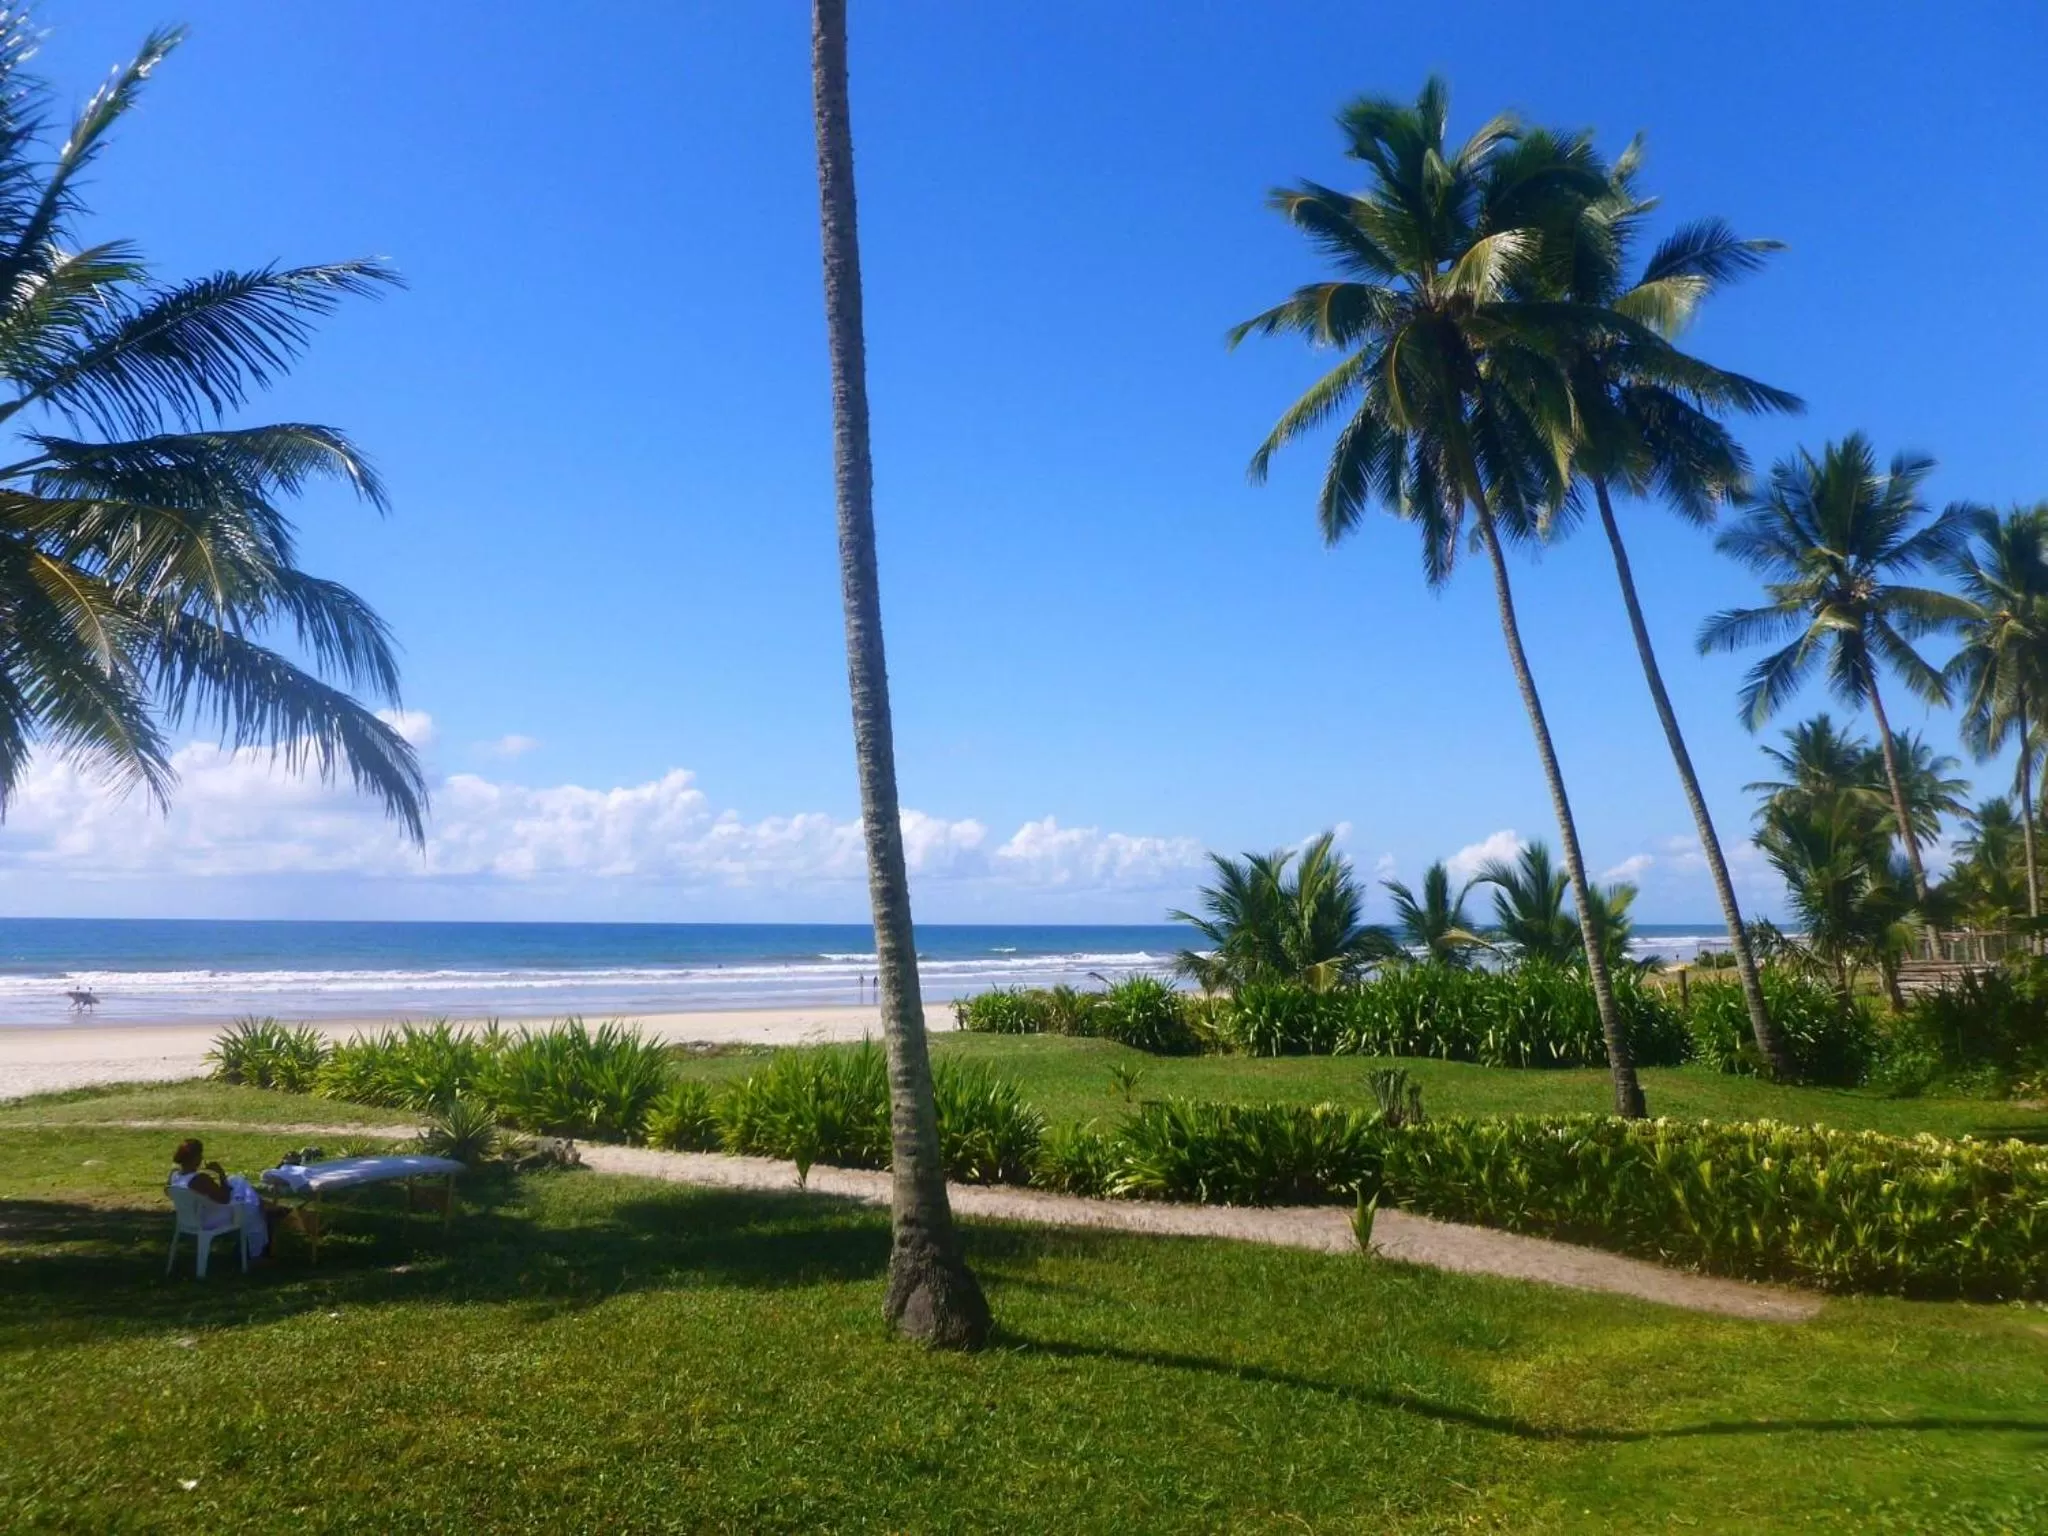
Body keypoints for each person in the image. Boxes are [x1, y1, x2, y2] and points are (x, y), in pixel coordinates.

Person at [169, 1138, 271, 1261]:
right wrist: (220, 1173)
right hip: (210, 1219)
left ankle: (263, 1204)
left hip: (189, 1217)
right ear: (196, 1158)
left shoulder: (174, 1175)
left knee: (237, 1180)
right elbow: (225, 1198)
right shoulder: (200, 1179)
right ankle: (257, 1253)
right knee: (252, 1207)